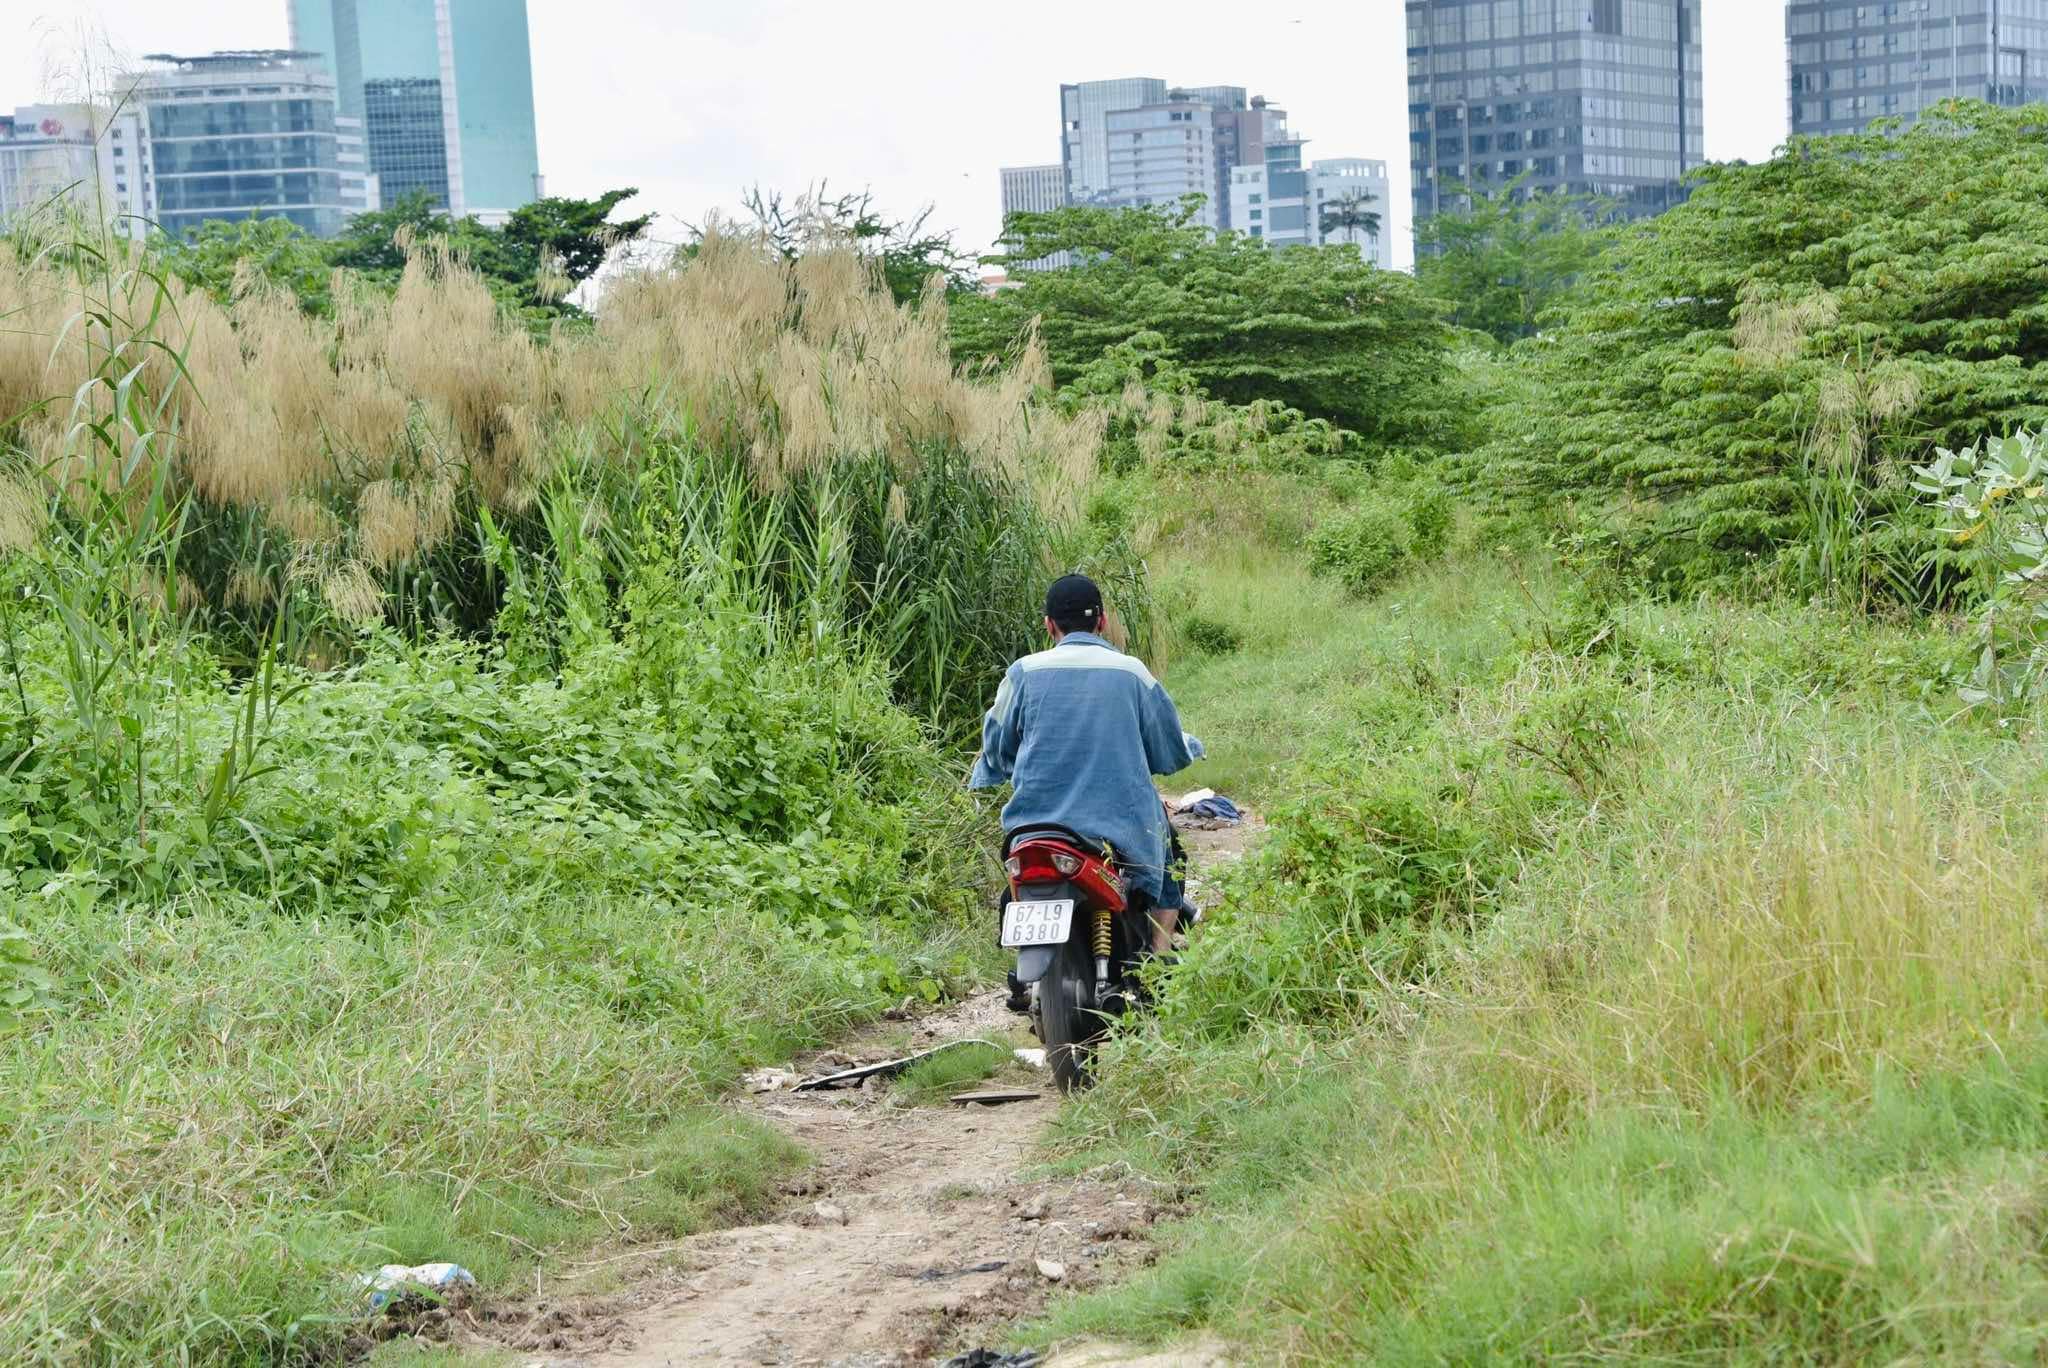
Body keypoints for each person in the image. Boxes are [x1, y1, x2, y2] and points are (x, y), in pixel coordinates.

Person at [969, 574, 1203, 1008]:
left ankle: (1025, 972)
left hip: (1038, 826)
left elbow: (997, 745)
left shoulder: (1023, 672)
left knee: (1014, 878)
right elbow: (1168, 747)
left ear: (1048, 625)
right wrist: (1186, 749)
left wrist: (994, 769)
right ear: (1103, 622)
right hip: (1122, 829)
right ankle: (1157, 961)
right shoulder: (1132, 672)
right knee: (1168, 866)